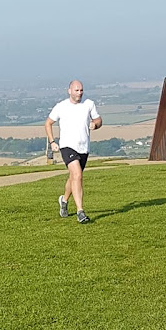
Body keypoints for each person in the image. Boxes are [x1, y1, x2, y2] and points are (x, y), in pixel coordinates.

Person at [45, 80, 102, 223]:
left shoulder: (89, 104)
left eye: (81, 90)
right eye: (76, 90)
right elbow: (48, 123)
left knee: (74, 177)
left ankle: (64, 200)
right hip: (67, 146)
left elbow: (99, 120)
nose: (79, 93)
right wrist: (52, 142)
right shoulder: (61, 106)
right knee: (77, 174)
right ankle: (80, 212)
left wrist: (95, 125)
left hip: (84, 147)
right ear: (69, 91)